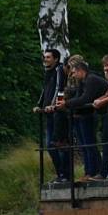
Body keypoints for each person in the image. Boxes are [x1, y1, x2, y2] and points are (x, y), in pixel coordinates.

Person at [57, 57, 108, 182]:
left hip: (96, 113)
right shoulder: (83, 81)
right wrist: (68, 103)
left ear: (80, 70)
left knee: (89, 144)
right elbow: (79, 96)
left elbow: (85, 98)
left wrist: (67, 103)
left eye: (74, 72)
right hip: (87, 113)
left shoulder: (91, 79)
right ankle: (89, 171)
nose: (73, 75)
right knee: (85, 145)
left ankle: (93, 171)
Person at [34, 49, 69, 183]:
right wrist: (40, 105)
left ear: (55, 59)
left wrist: (53, 104)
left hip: (58, 114)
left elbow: (59, 88)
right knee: (50, 145)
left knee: (59, 144)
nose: (45, 59)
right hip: (49, 114)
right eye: (44, 57)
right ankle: (60, 173)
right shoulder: (47, 72)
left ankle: (65, 174)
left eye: (48, 57)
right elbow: (45, 89)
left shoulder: (58, 70)